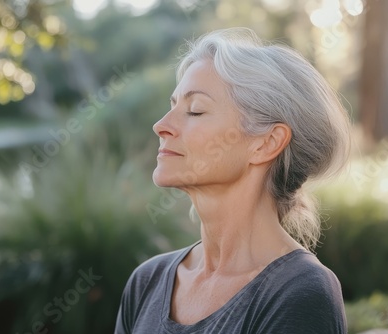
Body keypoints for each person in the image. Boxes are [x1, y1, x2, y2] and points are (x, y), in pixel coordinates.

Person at [115, 27, 351, 334]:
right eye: (172, 106)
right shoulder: (147, 281)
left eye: (195, 110)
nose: (161, 126)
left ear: (266, 143)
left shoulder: (299, 292)